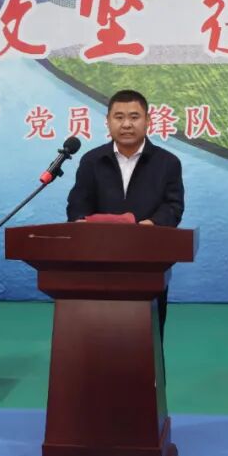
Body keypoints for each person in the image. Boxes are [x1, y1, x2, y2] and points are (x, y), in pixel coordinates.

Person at [66, 89, 184, 338]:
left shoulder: (167, 162)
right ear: (108, 121)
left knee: (147, 337)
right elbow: (77, 204)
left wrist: (151, 224)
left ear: (148, 121)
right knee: (98, 335)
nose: (127, 124)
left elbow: (173, 206)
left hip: (148, 261)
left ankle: (150, 365)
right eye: (119, 117)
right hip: (98, 260)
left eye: (134, 117)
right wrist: (80, 223)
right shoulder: (92, 160)